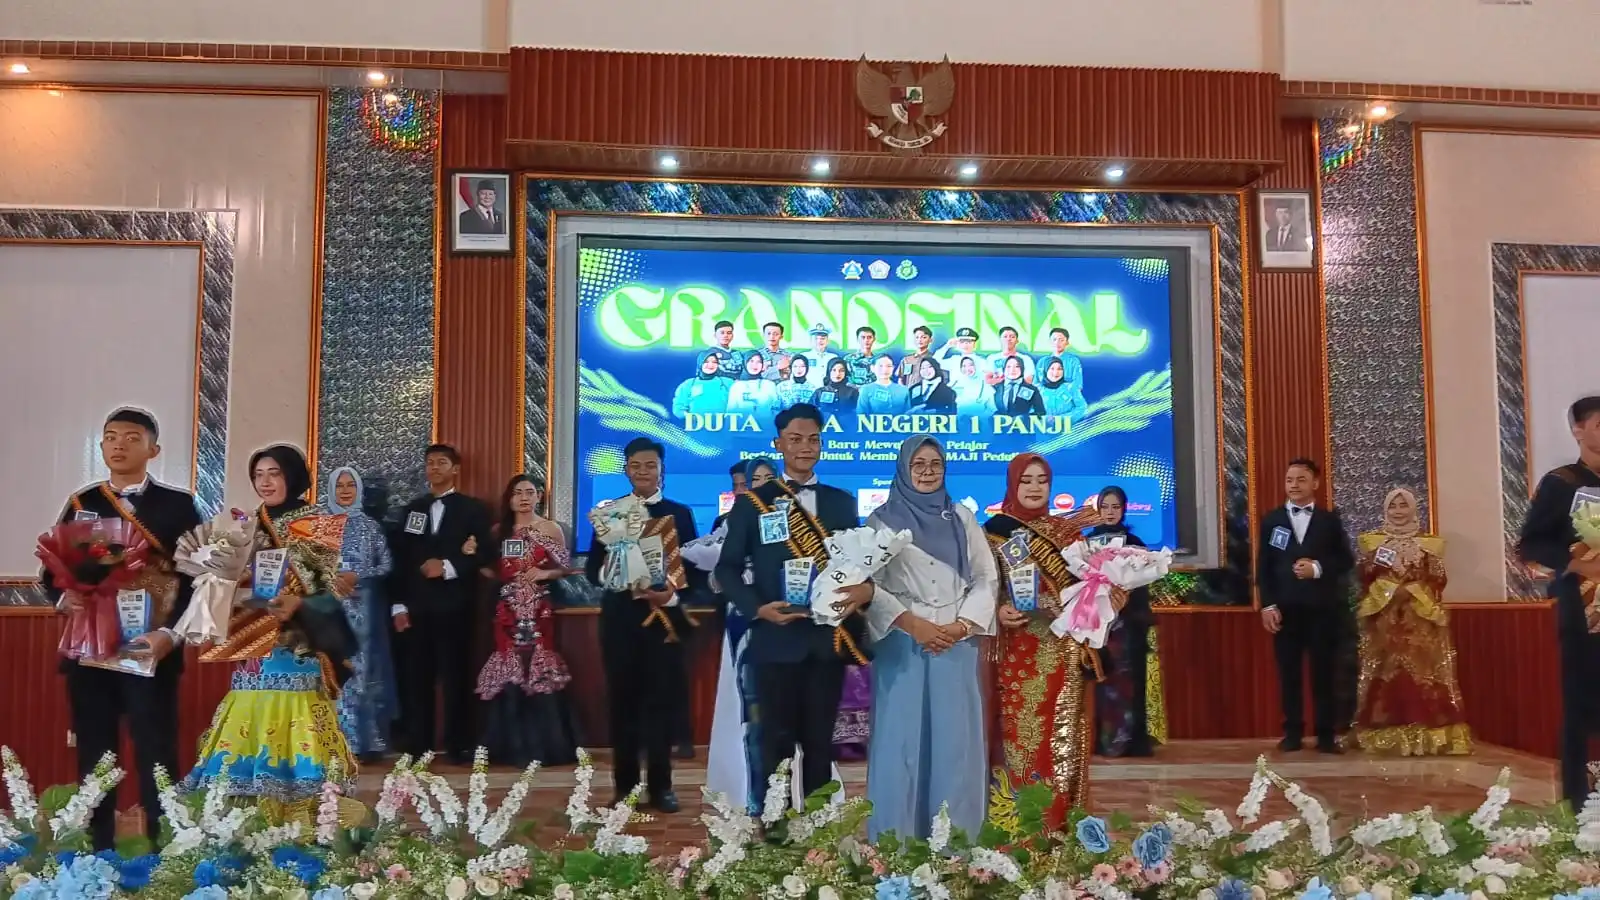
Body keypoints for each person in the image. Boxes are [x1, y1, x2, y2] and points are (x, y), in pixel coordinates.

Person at [43, 408, 202, 850]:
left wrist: (170, 635)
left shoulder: (178, 506)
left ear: (153, 450)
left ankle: (164, 850)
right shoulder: (82, 503)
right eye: (111, 437)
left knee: (156, 751)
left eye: (132, 438)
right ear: (101, 447)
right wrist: (64, 598)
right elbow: (52, 569)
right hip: (91, 650)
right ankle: (97, 852)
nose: (119, 445)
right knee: (95, 752)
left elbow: (196, 578)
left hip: (150, 648)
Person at [188, 445, 356, 819]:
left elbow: (330, 592)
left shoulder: (316, 522)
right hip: (252, 640)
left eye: (274, 473)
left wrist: (299, 603)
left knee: (295, 722)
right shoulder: (244, 525)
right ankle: (249, 818)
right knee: (250, 719)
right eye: (258, 475)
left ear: (292, 476)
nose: (264, 482)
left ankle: (303, 815)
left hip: (298, 645)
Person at [716, 403, 874, 801]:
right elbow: (727, 570)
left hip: (825, 643)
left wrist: (859, 593)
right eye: (795, 439)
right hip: (775, 641)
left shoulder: (841, 502)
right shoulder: (753, 502)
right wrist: (757, 609)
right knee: (774, 748)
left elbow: (856, 565)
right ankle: (776, 829)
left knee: (820, 748)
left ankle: (819, 831)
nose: (805, 447)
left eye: (813, 439)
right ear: (778, 444)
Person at [865, 436, 997, 839]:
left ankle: (956, 844)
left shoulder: (962, 517)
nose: (927, 471)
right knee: (900, 742)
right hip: (903, 641)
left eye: (935, 463)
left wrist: (961, 626)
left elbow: (986, 576)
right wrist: (913, 624)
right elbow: (870, 585)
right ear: (904, 469)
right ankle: (895, 843)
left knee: (956, 743)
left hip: (955, 641)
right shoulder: (880, 521)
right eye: (918, 464)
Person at [986, 453, 1101, 826]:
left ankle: (1061, 825)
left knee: (1062, 737)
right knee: (1020, 736)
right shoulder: (993, 531)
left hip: (1063, 649)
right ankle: (1017, 825)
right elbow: (981, 588)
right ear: (1012, 484)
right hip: (1017, 650)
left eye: (1042, 480)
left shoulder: (1069, 534)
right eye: (1026, 480)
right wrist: (998, 609)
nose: (1035, 487)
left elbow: (1090, 590)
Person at [585, 437, 699, 812]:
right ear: (626, 469)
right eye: (635, 465)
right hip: (620, 622)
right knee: (622, 706)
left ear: (661, 469)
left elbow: (692, 571)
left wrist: (670, 593)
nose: (643, 472)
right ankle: (625, 788)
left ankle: (662, 787)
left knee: (661, 706)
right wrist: (616, 570)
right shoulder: (610, 513)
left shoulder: (679, 514)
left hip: (663, 622)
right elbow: (592, 571)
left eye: (650, 465)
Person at [1518, 395, 1600, 810]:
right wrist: (1579, 564)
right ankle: (1579, 800)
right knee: (1580, 699)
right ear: (1578, 430)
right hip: (1581, 611)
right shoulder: (1561, 482)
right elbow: (1531, 544)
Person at [391, 444, 492, 763]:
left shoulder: (473, 509)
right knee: (416, 677)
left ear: (455, 469)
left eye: (441, 462)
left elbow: (485, 554)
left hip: (456, 605)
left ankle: (459, 744)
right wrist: (398, 605)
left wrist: (448, 566)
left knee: (456, 676)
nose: (434, 468)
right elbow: (400, 558)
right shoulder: (413, 509)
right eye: (430, 463)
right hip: (417, 607)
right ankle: (417, 744)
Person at [1352, 487, 1470, 756]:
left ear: (1414, 509)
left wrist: (1413, 589)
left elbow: (1439, 579)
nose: (1398, 511)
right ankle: (1383, 736)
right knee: (1386, 673)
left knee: (1422, 674)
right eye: (1393, 506)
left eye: (1403, 505)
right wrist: (1389, 587)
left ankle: (1429, 737)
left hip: (1420, 620)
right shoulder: (1374, 543)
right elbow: (1363, 576)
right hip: (1385, 619)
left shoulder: (1428, 544)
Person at [477, 475, 580, 766]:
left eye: (530, 492)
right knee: (508, 661)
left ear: (539, 497)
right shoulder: (499, 531)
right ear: (509, 499)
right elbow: (486, 567)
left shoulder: (550, 528)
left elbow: (566, 567)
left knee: (538, 661)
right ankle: (510, 746)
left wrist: (544, 574)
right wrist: (504, 582)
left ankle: (544, 745)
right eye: (518, 492)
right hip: (507, 607)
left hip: (538, 606)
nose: (524, 497)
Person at [1257, 458, 1353, 754]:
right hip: (1285, 610)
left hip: (1322, 610)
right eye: (1289, 480)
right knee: (1289, 674)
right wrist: (1267, 605)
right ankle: (1292, 732)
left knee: (1324, 673)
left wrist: (1318, 568)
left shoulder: (1329, 521)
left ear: (1315, 483)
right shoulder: (1272, 520)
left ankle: (1326, 735)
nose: (1294, 485)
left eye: (1301, 479)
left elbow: (1345, 560)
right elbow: (1264, 566)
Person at [705, 456, 779, 813]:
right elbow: (716, 578)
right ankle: (753, 793)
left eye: (769, 478)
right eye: (755, 480)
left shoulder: (795, 520)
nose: (762, 485)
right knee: (751, 711)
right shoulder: (730, 521)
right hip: (743, 623)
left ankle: (790, 792)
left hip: (788, 624)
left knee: (784, 711)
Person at [326, 465, 396, 762]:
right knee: (330, 667)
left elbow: (386, 564)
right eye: (339, 485)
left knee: (361, 670)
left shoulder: (370, 526)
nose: (345, 491)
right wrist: (332, 579)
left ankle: (361, 741)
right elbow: (307, 565)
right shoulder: (320, 526)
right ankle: (332, 739)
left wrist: (359, 575)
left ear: (359, 490)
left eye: (350, 486)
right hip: (328, 607)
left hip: (362, 608)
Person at [1087, 486, 1154, 758]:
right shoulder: (1088, 544)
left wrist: (1125, 599)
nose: (1110, 512)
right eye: (1105, 507)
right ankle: (1104, 742)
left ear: (1123, 510)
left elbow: (1144, 585)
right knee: (1103, 682)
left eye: (1115, 507)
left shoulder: (1135, 544)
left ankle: (1130, 742)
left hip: (1129, 625)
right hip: (1099, 627)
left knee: (1130, 681)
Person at [673, 349, 735, 418]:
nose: (710, 365)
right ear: (700, 363)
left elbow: (740, 402)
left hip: (723, 424)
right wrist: (693, 419)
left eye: (714, 362)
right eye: (706, 362)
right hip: (697, 424)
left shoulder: (727, 382)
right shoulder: (688, 384)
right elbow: (678, 409)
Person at [728, 354, 782, 429]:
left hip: (766, 428)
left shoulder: (770, 385)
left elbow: (776, 409)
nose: (755, 365)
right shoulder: (737, 386)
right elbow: (731, 412)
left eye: (758, 362)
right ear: (745, 363)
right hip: (742, 429)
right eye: (751, 361)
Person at [1039, 328, 1087, 403]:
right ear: (1050, 342)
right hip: (1047, 401)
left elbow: (1077, 384)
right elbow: (1036, 384)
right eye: (1054, 339)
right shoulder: (1043, 361)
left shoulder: (1073, 361)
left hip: (1066, 400)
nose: (1057, 343)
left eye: (1061, 340)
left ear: (1067, 342)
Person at [1038, 357, 1088, 421]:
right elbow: (1031, 410)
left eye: (1060, 369)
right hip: (1044, 426)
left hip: (1070, 426)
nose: (1056, 372)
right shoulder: (1039, 390)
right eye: (1052, 369)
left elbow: (1082, 408)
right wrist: (1044, 419)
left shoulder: (1070, 387)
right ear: (1045, 370)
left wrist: (1060, 419)